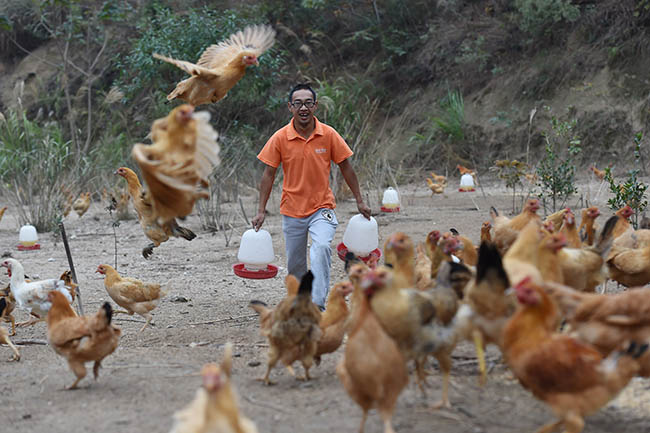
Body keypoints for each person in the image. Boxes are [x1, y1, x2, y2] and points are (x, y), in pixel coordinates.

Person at [252, 83, 371, 310]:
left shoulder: (328, 134)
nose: (303, 108)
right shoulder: (280, 137)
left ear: (315, 106)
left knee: (321, 248)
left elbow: (346, 167)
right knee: (295, 264)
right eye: (298, 103)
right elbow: (268, 174)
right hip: (292, 210)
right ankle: (301, 303)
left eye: (308, 103)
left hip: (321, 208)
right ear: (290, 107)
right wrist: (260, 211)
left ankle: (318, 305)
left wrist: (360, 200)